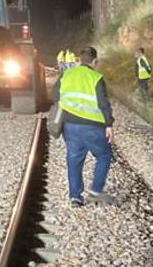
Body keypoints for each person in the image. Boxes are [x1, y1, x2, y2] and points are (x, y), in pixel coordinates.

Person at [52, 46, 115, 207]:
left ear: (79, 60)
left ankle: (75, 197)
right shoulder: (96, 78)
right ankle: (95, 191)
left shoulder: (66, 74)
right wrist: (109, 124)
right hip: (92, 126)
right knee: (104, 155)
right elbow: (103, 103)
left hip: (70, 126)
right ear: (95, 62)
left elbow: (54, 96)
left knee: (74, 159)